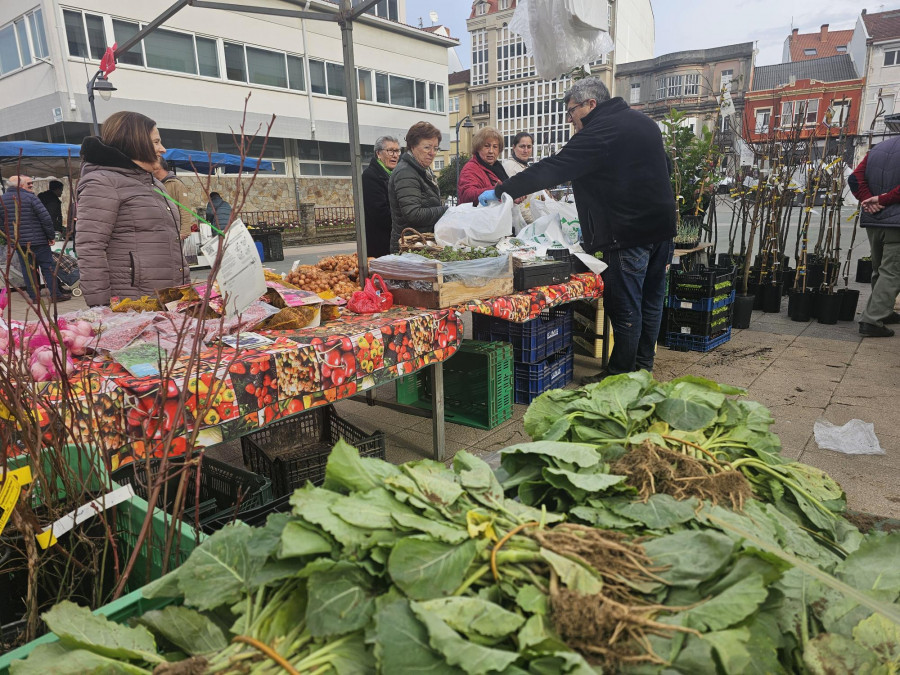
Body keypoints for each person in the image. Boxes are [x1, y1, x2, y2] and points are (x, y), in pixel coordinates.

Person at [479, 77, 676, 382]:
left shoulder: (601, 131)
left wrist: (501, 190)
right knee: (650, 303)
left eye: (571, 112)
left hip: (628, 234)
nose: (570, 121)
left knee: (625, 308)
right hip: (662, 231)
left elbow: (554, 167)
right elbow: (665, 167)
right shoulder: (644, 123)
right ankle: (642, 369)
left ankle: (622, 376)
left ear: (590, 105)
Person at [75, 111, 188, 307]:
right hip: (134, 302)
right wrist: (100, 308)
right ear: (135, 142)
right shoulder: (103, 182)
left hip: (168, 297)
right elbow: (90, 248)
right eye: (155, 142)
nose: (163, 149)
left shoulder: (153, 183)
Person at [848, 137, 900, 337]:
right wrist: (883, 199)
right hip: (896, 223)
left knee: (879, 269)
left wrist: (867, 200)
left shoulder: (878, 149)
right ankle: (872, 319)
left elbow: (854, 179)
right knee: (892, 272)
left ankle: (884, 311)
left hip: (874, 220)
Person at [0, 175, 69, 301]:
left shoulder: (2, 200)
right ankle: (55, 295)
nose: (32, 185)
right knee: (48, 268)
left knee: (28, 269)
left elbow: (1, 224)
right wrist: (50, 236)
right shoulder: (31, 198)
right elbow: (46, 218)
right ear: (20, 185)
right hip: (39, 240)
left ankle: (34, 296)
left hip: (19, 243)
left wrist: (11, 238)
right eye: (29, 183)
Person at [388, 122, 448, 253]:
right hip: (409, 248)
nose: (432, 153)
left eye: (436, 148)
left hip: (419, 244)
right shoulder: (406, 172)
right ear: (412, 146)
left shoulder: (423, 170)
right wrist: (446, 211)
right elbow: (413, 214)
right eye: (427, 147)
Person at [362, 135, 400, 258]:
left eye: (397, 151)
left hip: (394, 241)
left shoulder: (395, 175)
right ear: (378, 153)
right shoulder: (370, 176)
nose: (395, 155)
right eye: (390, 151)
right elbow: (380, 214)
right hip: (380, 245)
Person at [457, 127, 509, 206]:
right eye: (487, 146)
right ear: (477, 148)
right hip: (478, 216)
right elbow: (466, 195)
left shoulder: (497, 168)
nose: (491, 151)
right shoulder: (470, 168)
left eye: (495, 147)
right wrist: (495, 191)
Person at [153, 158, 193, 240]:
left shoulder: (176, 184)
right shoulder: (153, 184)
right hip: (158, 230)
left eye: (153, 163)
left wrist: (184, 231)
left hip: (174, 231)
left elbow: (184, 208)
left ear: (159, 167)